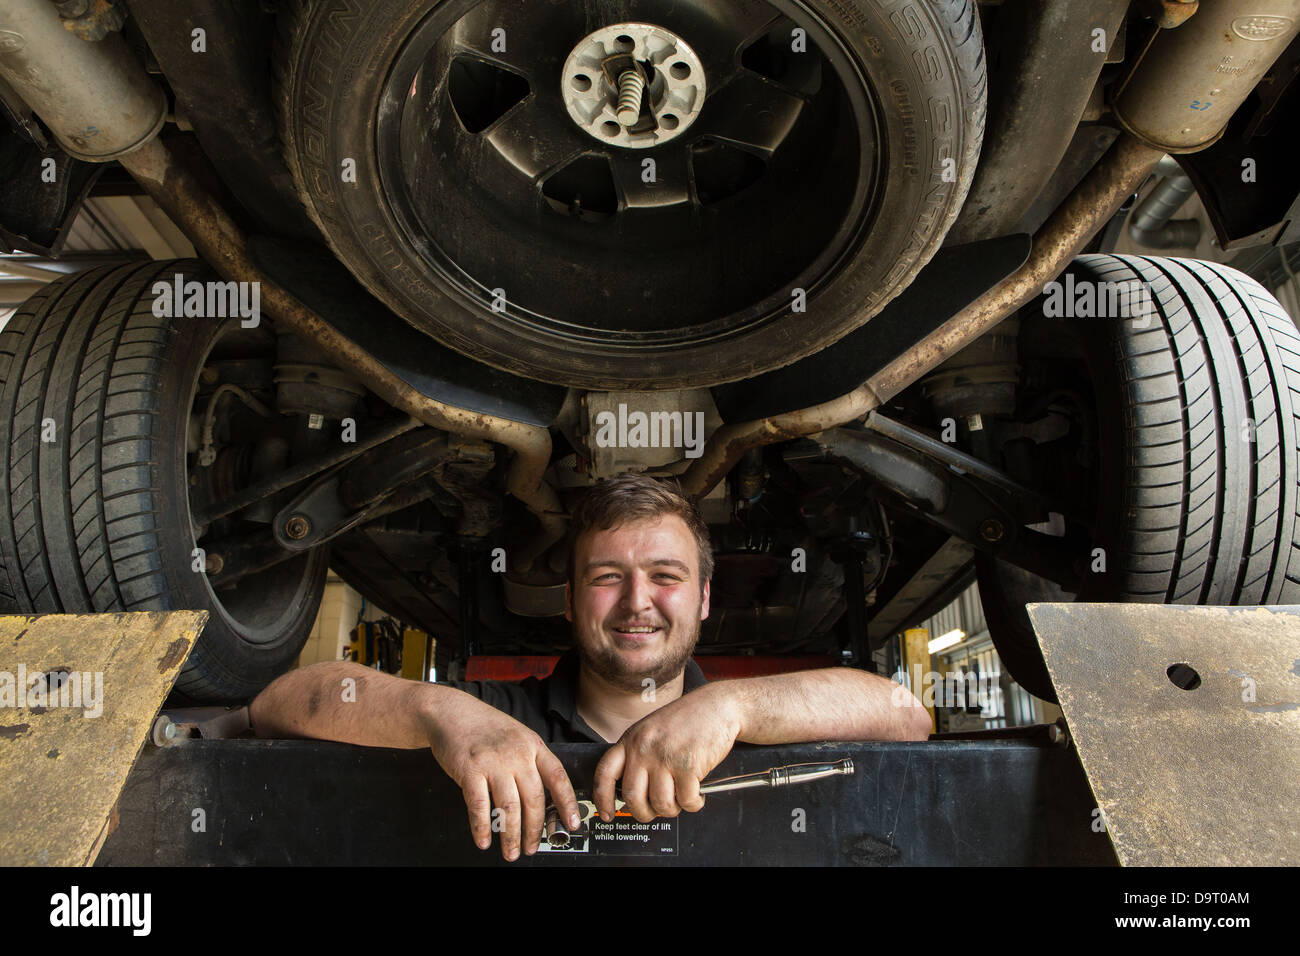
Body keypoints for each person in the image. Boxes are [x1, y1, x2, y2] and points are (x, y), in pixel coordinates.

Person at [249, 473, 932, 861]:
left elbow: (906, 716)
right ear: (571, 601)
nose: (638, 602)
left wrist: (734, 707)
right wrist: (438, 712)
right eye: (609, 577)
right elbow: (279, 702)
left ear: (702, 598)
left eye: (665, 575)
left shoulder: (750, 728)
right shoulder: (496, 720)